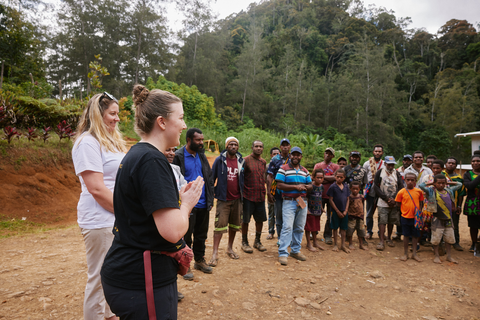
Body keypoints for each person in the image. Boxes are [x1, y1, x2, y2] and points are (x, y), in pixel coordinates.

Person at [101, 85, 204, 319]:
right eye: (180, 117)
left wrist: (176, 198)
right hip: (142, 278)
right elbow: (172, 230)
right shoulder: (152, 161)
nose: (185, 125)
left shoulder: (138, 154)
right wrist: (186, 204)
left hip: (131, 274)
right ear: (162, 122)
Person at [72, 92, 126, 320]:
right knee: (98, 277)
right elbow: (96, 188)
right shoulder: (87, 143)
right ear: (97, 114)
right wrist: (128, 212)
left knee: (111, 272)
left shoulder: (109, 141)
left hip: (112, 218)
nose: (117, 119)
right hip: (100, 219)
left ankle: (108, 313)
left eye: (118, 114)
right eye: (112, 114)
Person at [173, 128, 214, 280]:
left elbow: (208, 177)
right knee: (186, 235)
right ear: (188, 140)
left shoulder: (202, 155)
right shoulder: (179, 156)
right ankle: (186, 263)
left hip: (203, 202)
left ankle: (199, 260)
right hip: (187, 204)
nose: (201, 143)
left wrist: (209, 199)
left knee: (201, 234)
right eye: (198, 140)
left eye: (202, 139)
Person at [209, 137, 244, 265]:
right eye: (231, 144)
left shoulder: (241, 161)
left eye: (235, 144)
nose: (233, 146)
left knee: (234, 225)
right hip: (223, 199)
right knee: (219, 226)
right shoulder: (220, 160)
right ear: (226, 146)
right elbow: (212, 178)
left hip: (237, 199)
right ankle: (215, 253)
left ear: (238, 147)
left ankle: (229, 248)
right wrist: (211, 195)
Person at [276, 147, 312, 265]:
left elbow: (311, 185)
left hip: (302, 201)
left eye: (298, 155)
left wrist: (305, 187)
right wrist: (296, 187)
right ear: (290, 155)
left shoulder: (305, 170)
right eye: (294, 155)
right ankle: (283, 253)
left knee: (300, 227)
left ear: (301, 156)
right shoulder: (283, 168)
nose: (296, 157)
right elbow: (279, 185)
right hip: (289, 201)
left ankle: (295, 251)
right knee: (287, 227)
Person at [419, 175, 462, 264]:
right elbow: (422, 185)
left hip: (448, 219)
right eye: (439, 183)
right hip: (437, 219)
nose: (441, 185)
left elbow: (459, 184)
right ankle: (437, 256)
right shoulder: (431, 191)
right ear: (435, 183)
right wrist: (432, 183)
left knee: (449, 238)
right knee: (436, 239)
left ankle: (449, 256)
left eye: (443, 183)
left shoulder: (449, 191)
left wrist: (448, 182)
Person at [165, 146, 187, 301]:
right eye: (167, 150)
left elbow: (184, 188)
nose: (172, 153)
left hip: (177, 215)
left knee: (176, 253)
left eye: (173, 150)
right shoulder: (154, 169)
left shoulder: (175, 169)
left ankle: (173, 287)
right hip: (164, 218)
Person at [241, 140, 267, 253]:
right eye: (256, 146)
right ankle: (244, 242)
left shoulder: (263, 162)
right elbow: (241, 178)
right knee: (245, 220)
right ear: (252, 147)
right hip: (248, 196)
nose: (258, 148)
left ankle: (257, 241)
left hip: (260, 196)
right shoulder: (245, 160)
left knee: (260, 220)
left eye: (260, 146)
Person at [373, 156, 403, 251]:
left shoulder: (397, 173)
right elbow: (376, 186)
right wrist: (386, 198)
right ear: (385, 164)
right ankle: (381, 240)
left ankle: (389, 238)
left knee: (391, 221)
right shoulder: (379, 172)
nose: (391, 166)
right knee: (382, 221)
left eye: (392, 164)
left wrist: (394, 199)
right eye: (389, 164)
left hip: (394, 202)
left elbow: (401, 186)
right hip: (383, 202)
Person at [395, 172, 424, 262]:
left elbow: (421, 203)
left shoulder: (419, 192)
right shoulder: (401, 192)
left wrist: (418, 214)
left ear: (415, 181)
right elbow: (398, 203)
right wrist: (404, 212)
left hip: (416, 218)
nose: (410, 182)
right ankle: (405, 253)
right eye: (408, 180)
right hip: (405, 217)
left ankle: (414, 254)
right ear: (405, 180)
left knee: (415, 236)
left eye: (412, 180)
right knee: (406, 236)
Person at [313, 147, 340, 245]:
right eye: (326, 153)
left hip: (331, 196)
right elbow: (314, 178)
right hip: (318, 194)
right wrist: (330, 179)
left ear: (333, 156)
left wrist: (322, 178)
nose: (327, 155)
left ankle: (327, 235)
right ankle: (314, 232)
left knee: (330, 216)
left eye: (330, 154)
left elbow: (336, 177)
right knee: (317, 213)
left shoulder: (336, 166)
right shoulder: (318, 165)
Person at [267, 139, 291, 241]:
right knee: (279, 215)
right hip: (278, 192)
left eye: (287, 145)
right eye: (283, 145)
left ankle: (288, 237)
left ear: (289, 146)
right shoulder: (275, 159)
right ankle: (281, 238)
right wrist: (268, 192)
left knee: (289, 215)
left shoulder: (293, 158)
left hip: (290, 192)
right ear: (280, 147)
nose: (285, 147)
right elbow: (270, 176)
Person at [443, 157, 466, 251]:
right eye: (449, 163)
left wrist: (459, 206)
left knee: (454, 224)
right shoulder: (441, 175)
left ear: (456, 166)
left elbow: (461, 194)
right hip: (442, 205)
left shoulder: (459, 179)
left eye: (453, 163)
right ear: (445, 164)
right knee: (441, 224)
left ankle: (456, 242)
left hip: (454, 205)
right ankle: (442, 243)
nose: (451, 164)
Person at [363, 144, 385, 240]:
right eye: (376, 151)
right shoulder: (367, 163)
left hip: (381, 192)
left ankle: (381, 233)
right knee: (369, 212)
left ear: (382, 153)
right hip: (370, 191)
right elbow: (364, 177)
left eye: (379, 151)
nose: (377, 153)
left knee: (382, 213)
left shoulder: (385, 164)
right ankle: (369, 231)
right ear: (373, 152)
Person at [328, 169, 351, 253]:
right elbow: (331, 200)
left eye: (341, 177)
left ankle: (343, 245)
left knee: (343, 228)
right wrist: (337, 211)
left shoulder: (346, 186)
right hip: (335, 211)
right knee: (335, 228)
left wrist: (346, 210)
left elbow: (348, 199)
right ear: (335, 177)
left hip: (344, 211)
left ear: (344, 177)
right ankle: (335, 245)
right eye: (337, 177)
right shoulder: (332, 187)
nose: (339, 179)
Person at [463, 153, 480, 253]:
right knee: (473, 224)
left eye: (478, 161)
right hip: (472, 203)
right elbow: (470, 186)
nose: (476, 163)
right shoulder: (468, 174)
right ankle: (474, 243)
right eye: (473, 161)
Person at [305, 169, 325, 252]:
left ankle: (315, 242)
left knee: (315, 227)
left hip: (317, 210)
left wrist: (321, 208)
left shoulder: (321, 187)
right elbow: (305, 198)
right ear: (313, 177)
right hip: (310, 210)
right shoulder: (310, 187)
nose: (319, 179)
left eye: (321, 177)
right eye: (318, 177)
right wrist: (306, 209)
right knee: (308, 227)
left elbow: (319, 197)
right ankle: (308, 243)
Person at [347, 181, 367, 250]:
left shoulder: (361, 197)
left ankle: (361, 245)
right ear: (350, 189)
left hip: (360, 217)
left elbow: (362, 205)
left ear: (359, 189)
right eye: (353, 189)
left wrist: (362, 215)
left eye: (357, 189)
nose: (355, 190)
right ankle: (350, 244)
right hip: (351, 217)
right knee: (350, 231)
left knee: (361, 231)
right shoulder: (349, 197)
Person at [267, 147, 281, 240]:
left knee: (280, 213)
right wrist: (268, 192)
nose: (276, 155)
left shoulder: (285, 163)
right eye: (274, 154)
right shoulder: (268, 166)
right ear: (271, 155)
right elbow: (267, 178)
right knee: (271, 213)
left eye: (277, 153)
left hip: (280, 192)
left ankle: (281, 234)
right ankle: (271, 232)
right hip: (271, 191)